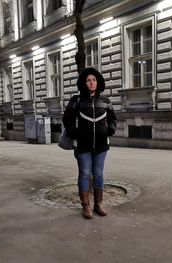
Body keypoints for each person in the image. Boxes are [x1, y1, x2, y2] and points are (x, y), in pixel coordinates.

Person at [62, 67, 117, 219]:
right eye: (88, 80)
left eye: (93, 80)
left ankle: (98, 204)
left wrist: (110, 130)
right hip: (82, 145)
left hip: (101, 145)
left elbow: (113, 118)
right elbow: (67, 119)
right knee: (85, 174)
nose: (91, 83)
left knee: (98, 174)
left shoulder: (105, 101)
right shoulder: (76, 100)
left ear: (97, 82)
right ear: (83, 83)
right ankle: (85, 205)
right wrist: (75, 133)